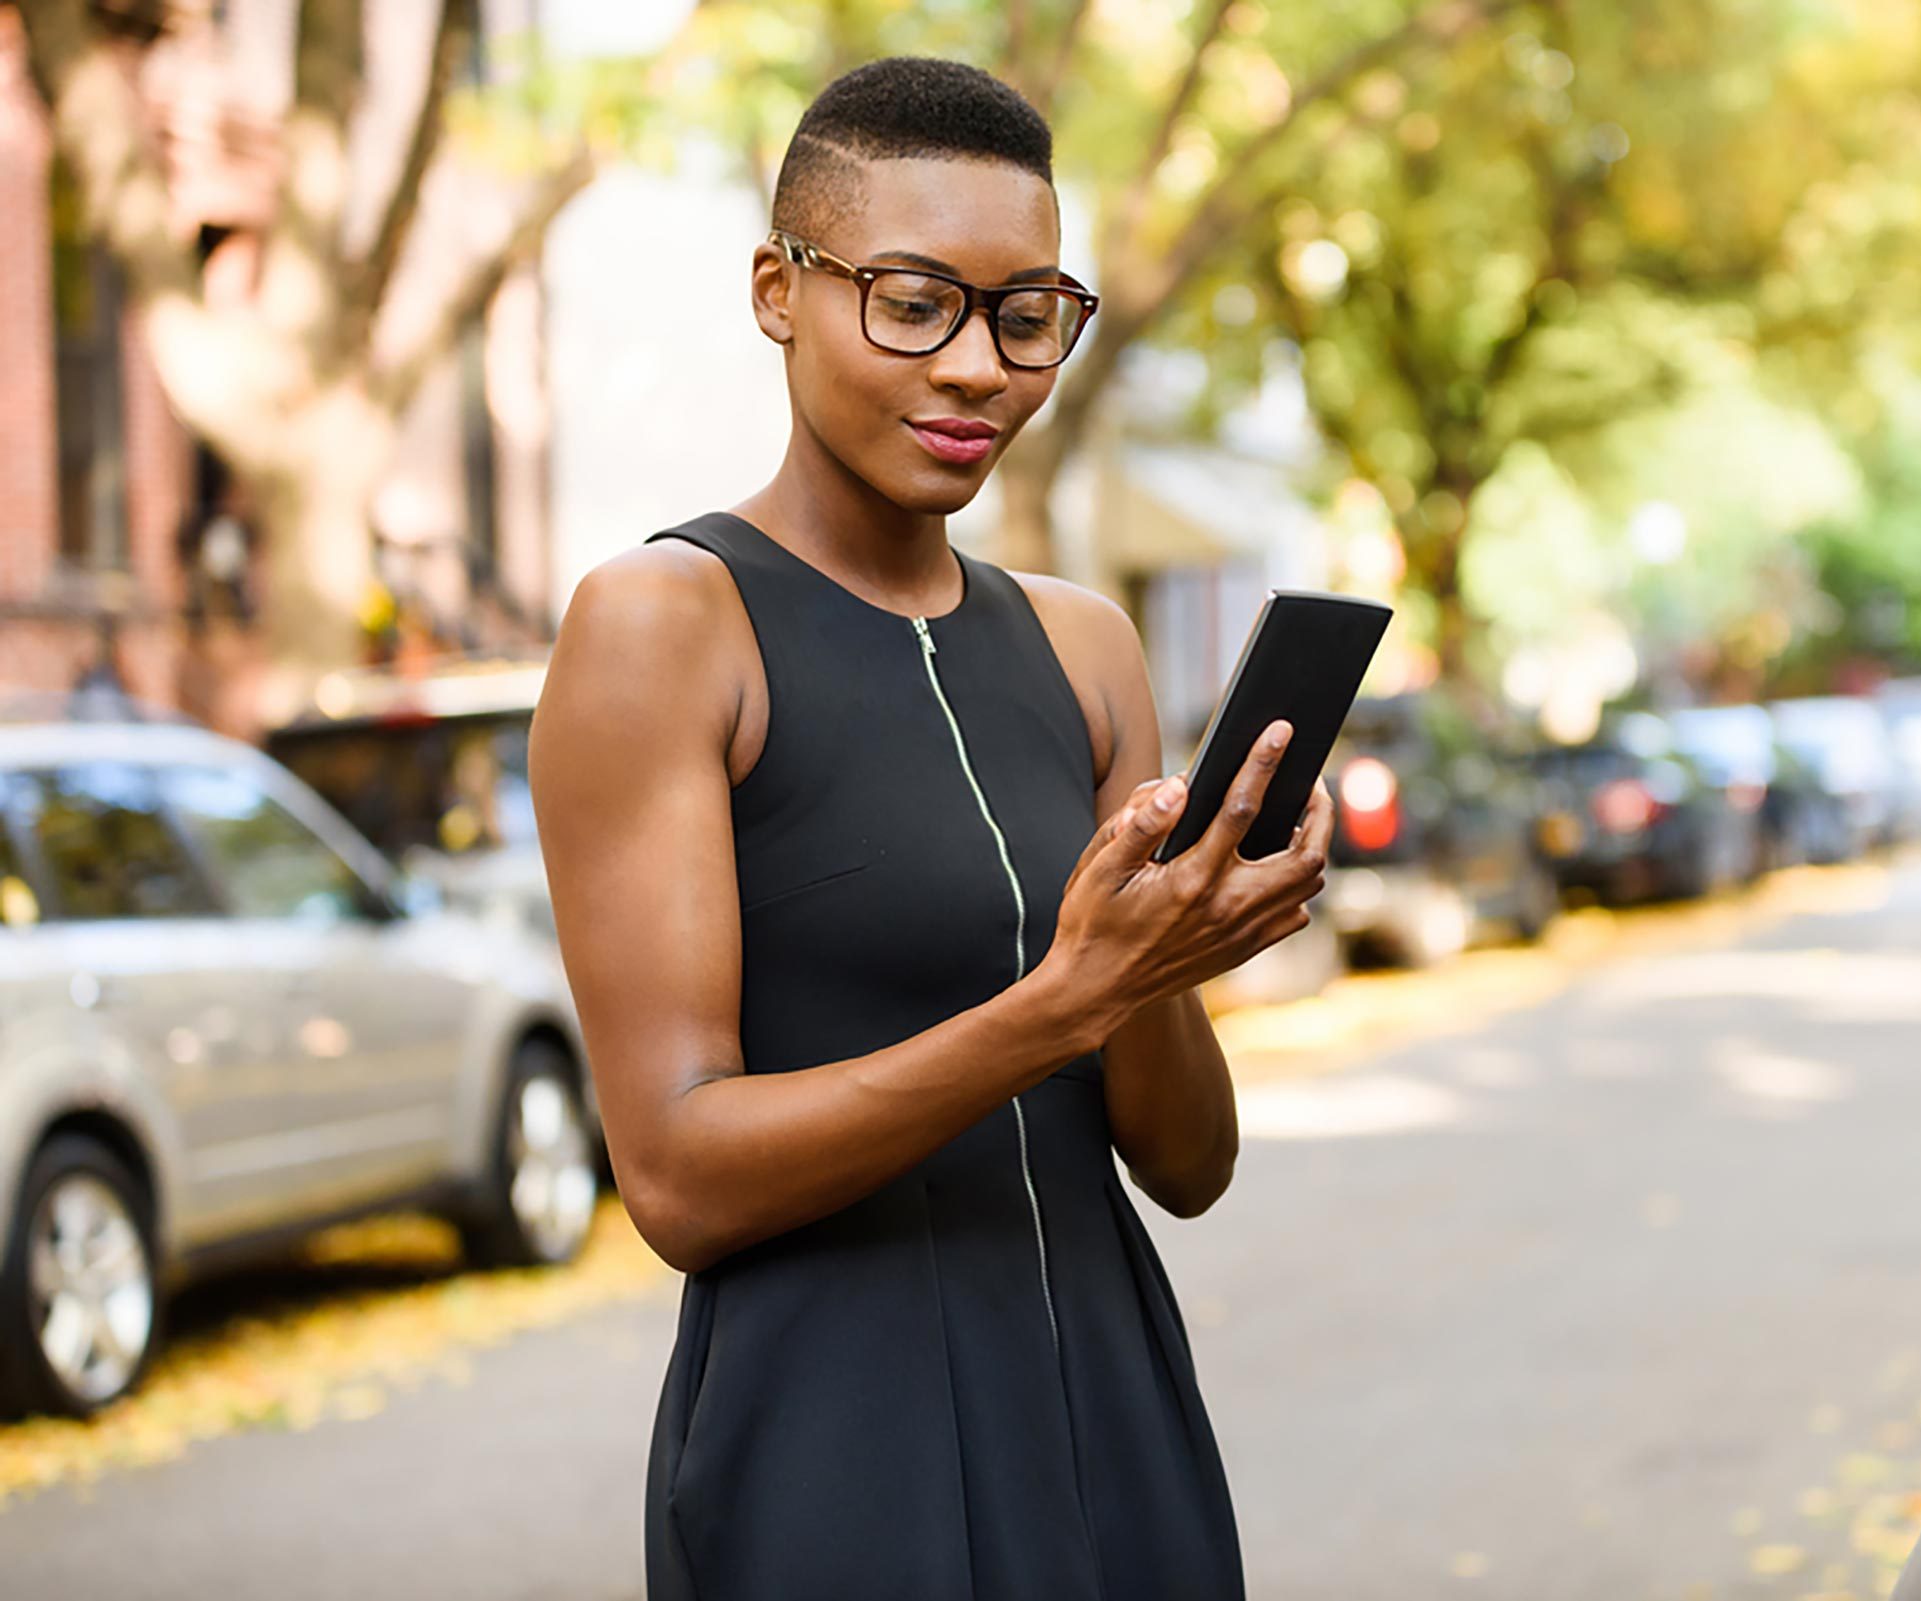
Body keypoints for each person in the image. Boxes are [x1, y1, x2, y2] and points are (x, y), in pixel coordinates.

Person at [525, 56, 1329, 1601]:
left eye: (1026, 314)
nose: (977, 367)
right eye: (912, 301)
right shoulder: (665, 625)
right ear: (780, 289)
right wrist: (1058, 1007)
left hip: (1116, 1410)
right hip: (835, 1452)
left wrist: (1166, 961)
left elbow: (1189, 1161)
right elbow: (678, 1177)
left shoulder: (1086, 648)